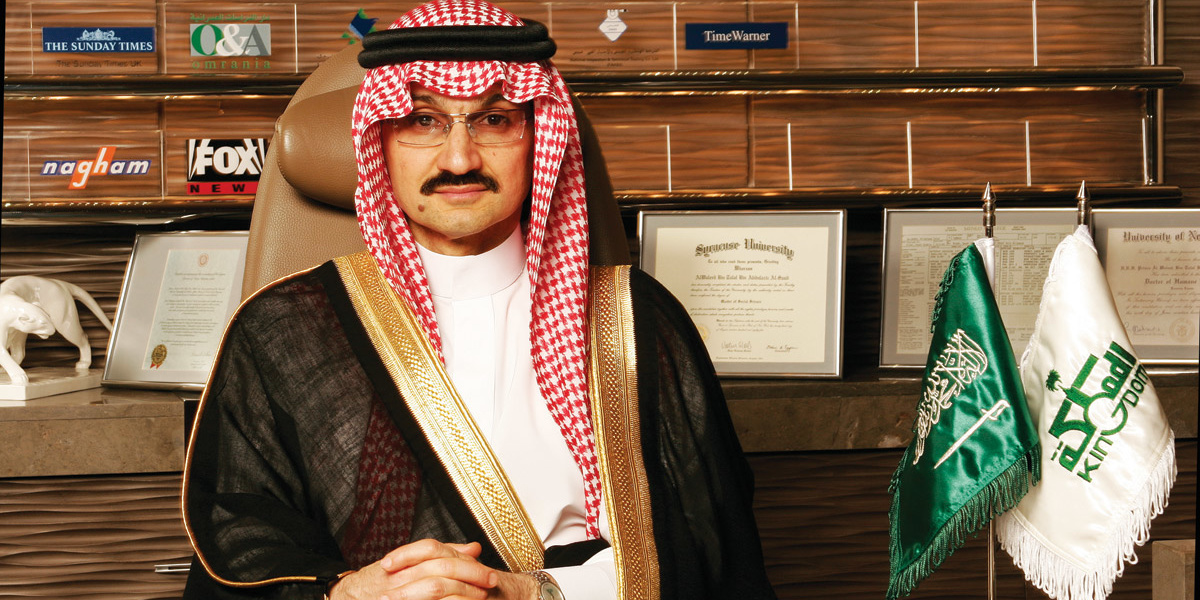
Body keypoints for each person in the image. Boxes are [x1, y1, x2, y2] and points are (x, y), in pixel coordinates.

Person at [182, 1, 777, 599]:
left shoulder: (637, 319)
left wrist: (533, 593)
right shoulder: (283, 330)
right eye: (422, 120)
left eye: (494, 119)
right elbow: (239, 544)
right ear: (380, 141)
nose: (459, 159)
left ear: (539, 138)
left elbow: (710, 543)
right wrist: (345, 593)